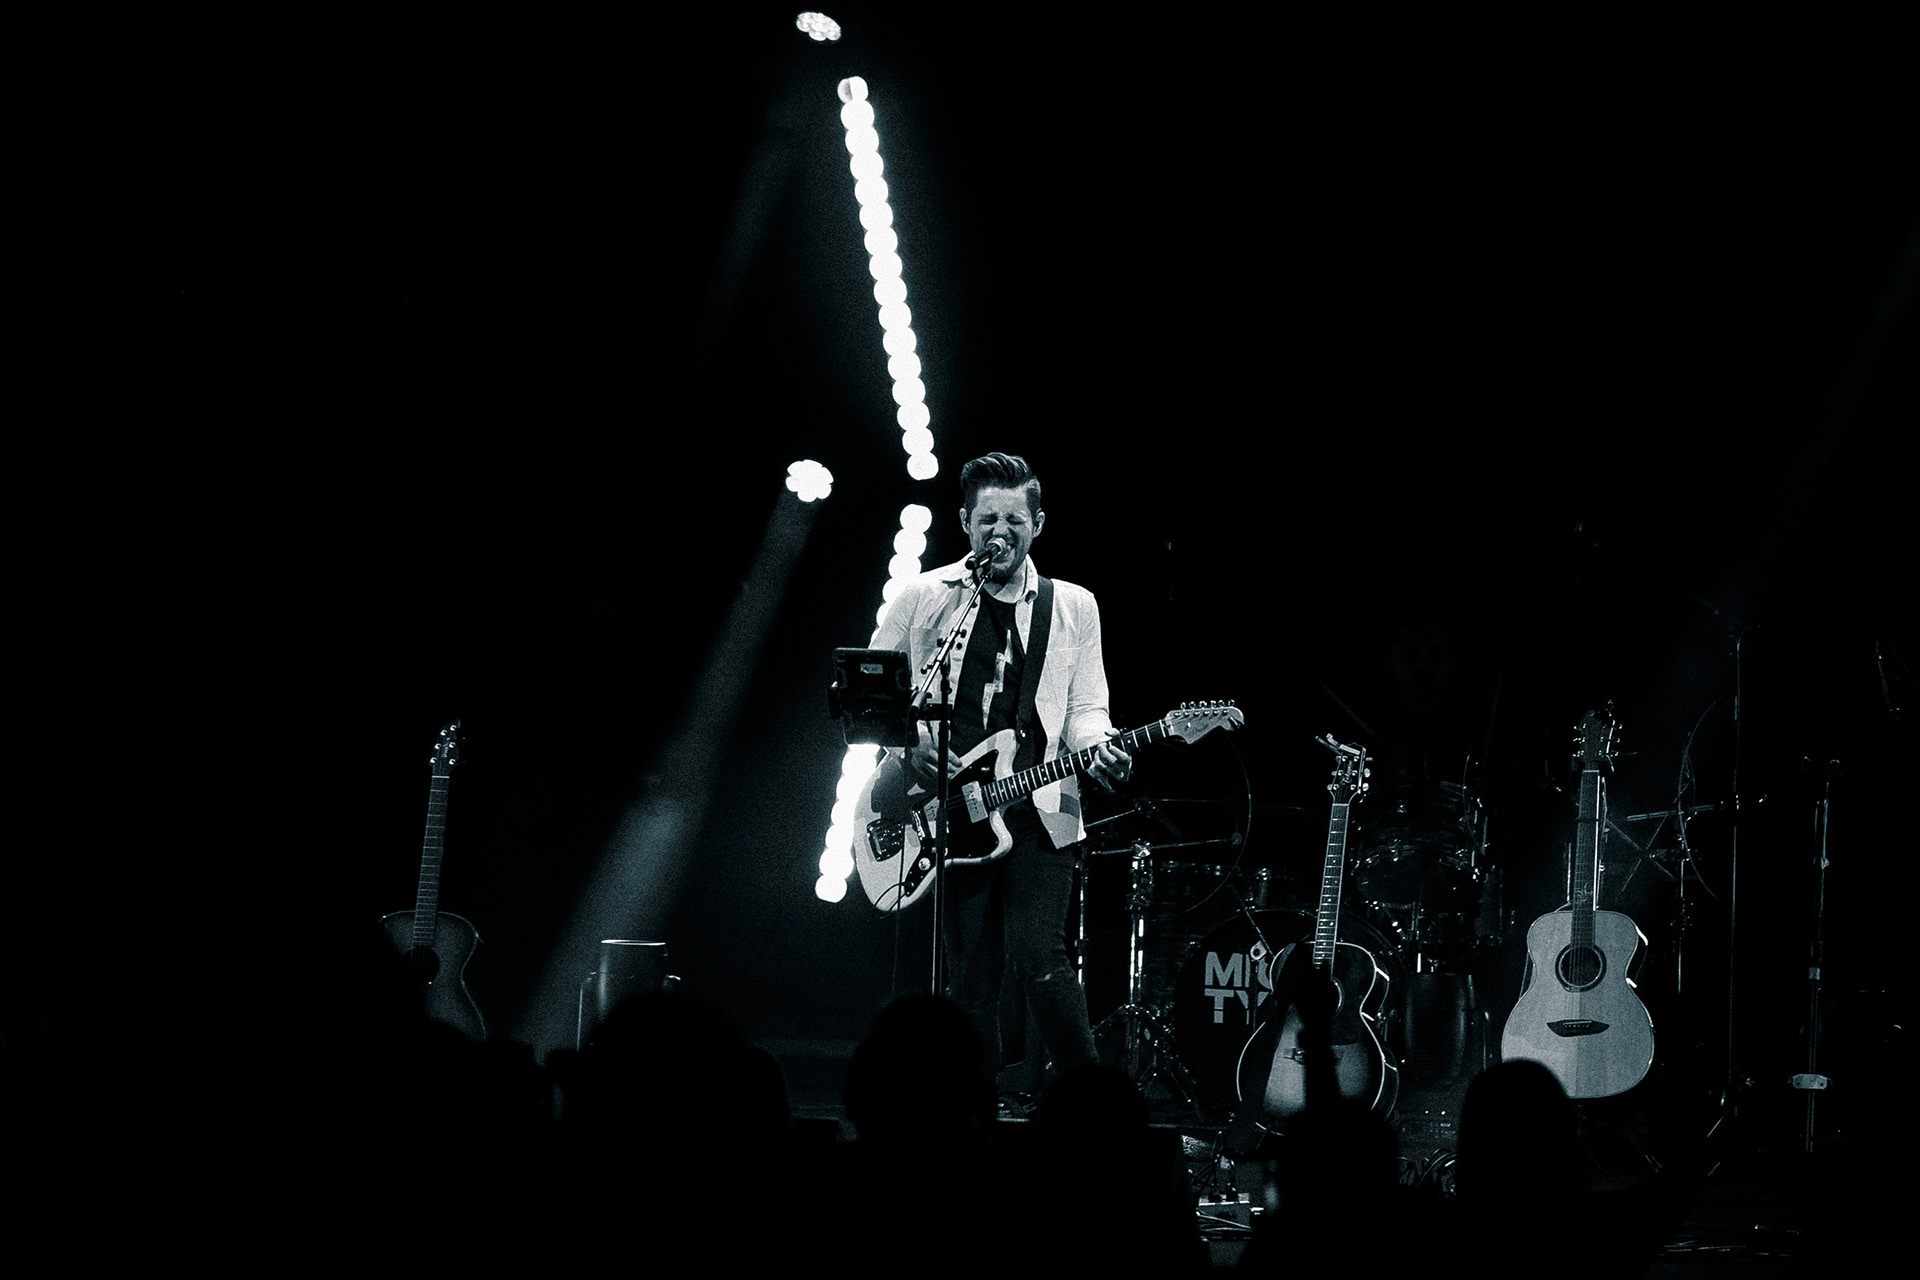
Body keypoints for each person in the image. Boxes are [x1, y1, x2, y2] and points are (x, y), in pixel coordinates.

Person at [869, 451, 1131, 1096]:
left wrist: (1100, 745)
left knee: (1042, 957)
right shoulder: (925, 597)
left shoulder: (1074, 606)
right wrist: (909, 748)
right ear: (966, 523)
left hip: (1046, 801)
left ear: (1038, 524)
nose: (1001, 532)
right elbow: (871, 692)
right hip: (949, 806)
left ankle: (1092, 1105)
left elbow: (1087, 709)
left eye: (1015, 519)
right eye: (988, 519)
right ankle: (971, 1109)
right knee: (970, 980)